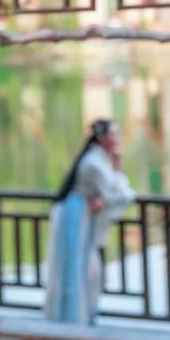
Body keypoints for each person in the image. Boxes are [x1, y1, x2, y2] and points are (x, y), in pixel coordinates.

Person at [44, 119, 135, 325]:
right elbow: (117, 194)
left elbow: (108, 193)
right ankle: (76, 316)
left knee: (87, 267)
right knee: (81, 267)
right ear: (103, 138)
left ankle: (83, 314)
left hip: (81, 214)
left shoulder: (98, 159)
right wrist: (119, 168)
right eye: (114, 134)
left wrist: (105, 195)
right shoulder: (94, 162)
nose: (117, 139)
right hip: (76, 217)